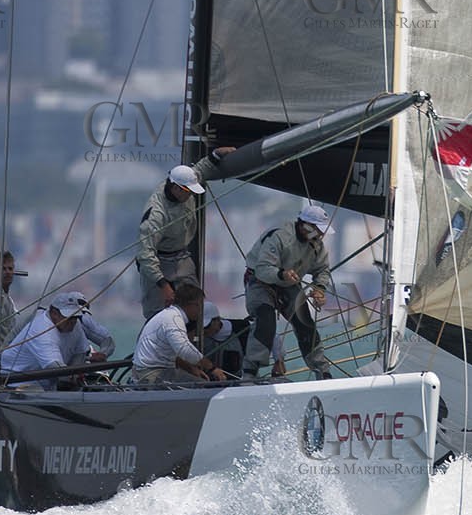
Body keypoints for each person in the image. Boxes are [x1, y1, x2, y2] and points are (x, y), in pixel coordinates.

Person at [136, 149, 234, 320]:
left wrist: (216, 154)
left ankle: (194, 335)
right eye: (187, 191)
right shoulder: (156, 214)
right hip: (157, 262)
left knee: (195, 306)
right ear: (175, 188)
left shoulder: (184, 180)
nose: (190, 194)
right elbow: (145, 255)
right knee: (157, 315)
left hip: (181, 258)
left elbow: (201, 169)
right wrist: (163, 285)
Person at [244, 204, 335, 380]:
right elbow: (263, 269)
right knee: (265, 321)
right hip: (260, 282)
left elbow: (322, 270)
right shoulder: (279, 236)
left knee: (305, 323)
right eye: (318, 230)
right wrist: (282, 274)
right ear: (305, 225)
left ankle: (323, 372)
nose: (321, 235)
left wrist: (319, 289)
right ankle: (249, 372)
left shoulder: (316, 245)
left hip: (289, 285)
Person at [131, 283, 229, 385]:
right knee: (203, 386)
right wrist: (212, 368)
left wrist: (191, 369)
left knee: (200, 382)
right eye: (200, 306)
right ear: (191, 305)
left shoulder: (170, 315)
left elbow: (175, 354)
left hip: (157, 369)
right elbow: (184, 349)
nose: (201, 311)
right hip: (151, 373)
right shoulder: (173, 319)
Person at [0, 292, 91, 391]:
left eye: (75, 317)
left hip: (47, 384)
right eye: (68, 317)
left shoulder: (75, 325)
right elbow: (55, 367)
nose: (73, 321)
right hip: (18, 383)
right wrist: (72, 377)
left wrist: (76, 374)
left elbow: (80, 352)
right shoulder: (41, 329)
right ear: (54, 313)